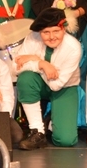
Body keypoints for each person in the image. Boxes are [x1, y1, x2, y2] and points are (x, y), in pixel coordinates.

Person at [15, 8, 82, 149]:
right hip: (38, 82)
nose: (51, 37)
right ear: (40, 32)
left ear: (64, 29)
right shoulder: (32, 38)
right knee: (25, 79)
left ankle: (53, 119)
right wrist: (41, 64)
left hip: (64, 87)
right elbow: (16, 67)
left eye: (56, 31)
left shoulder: (74, 47)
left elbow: (56, 85)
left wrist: (34, 60)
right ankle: (38, 131)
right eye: (46, 32)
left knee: (66, 140)